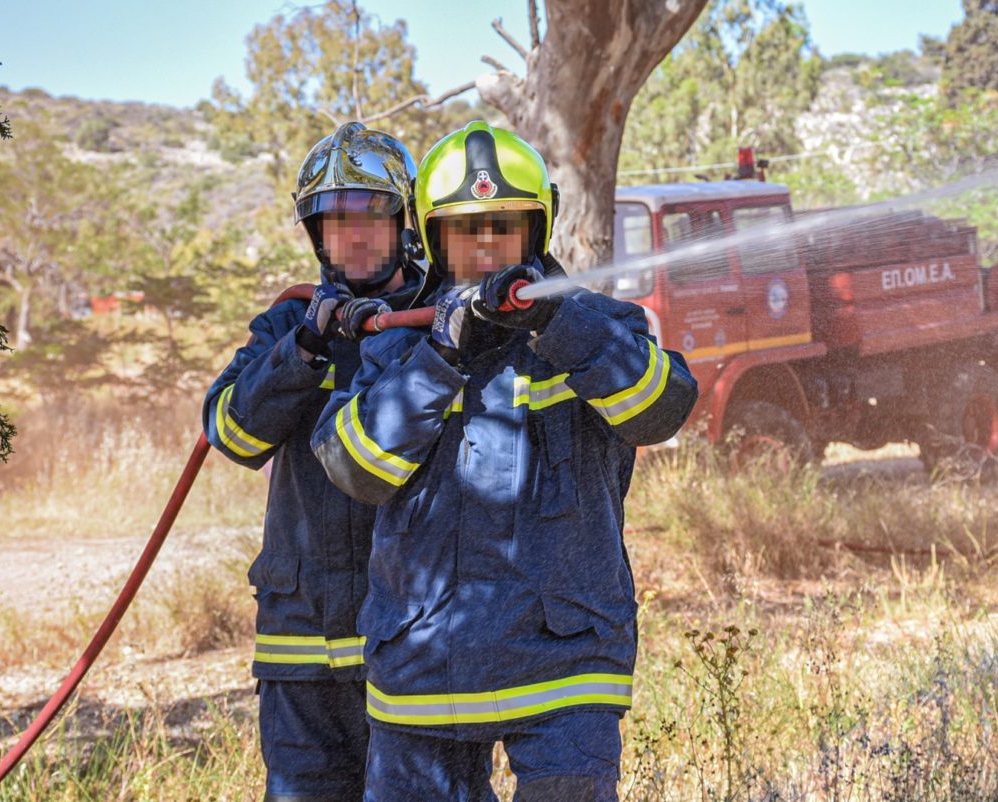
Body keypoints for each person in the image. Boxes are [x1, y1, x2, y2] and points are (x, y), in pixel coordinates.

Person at [310, 120, 699, 802]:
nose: (487, 246)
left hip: (565, 665)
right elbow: (353, 470)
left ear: (536, 231)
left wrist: (558, 324)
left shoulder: (598, 325)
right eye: (467, 229)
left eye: (503, 225)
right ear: (433, 239)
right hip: (423, 673)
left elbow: (661, 408)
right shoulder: (398, 350)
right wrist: (440, 358)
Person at [203, 121, 431, 802]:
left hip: (410, 643)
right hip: (300, 646)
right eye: (335, 222)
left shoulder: (438, 321)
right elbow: (232, 435)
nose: (354, 236)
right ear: (316, 234)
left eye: (371, 216)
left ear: (403, 223)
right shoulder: (287, 327)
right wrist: (302, 352)